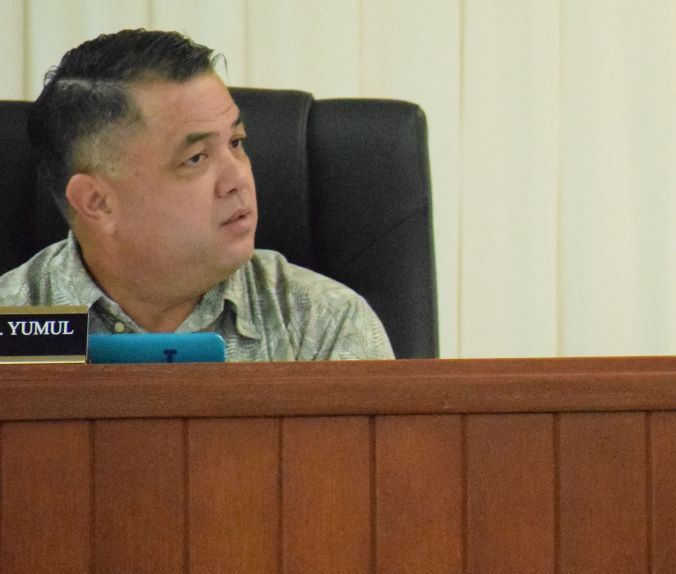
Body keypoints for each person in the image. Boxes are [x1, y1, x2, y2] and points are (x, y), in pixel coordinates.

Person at [0, 29, 393, 360]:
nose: (236, 178)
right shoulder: (10, 322)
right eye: (196, 158)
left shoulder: (322, 326)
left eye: (236, 142)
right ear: (97, 202)